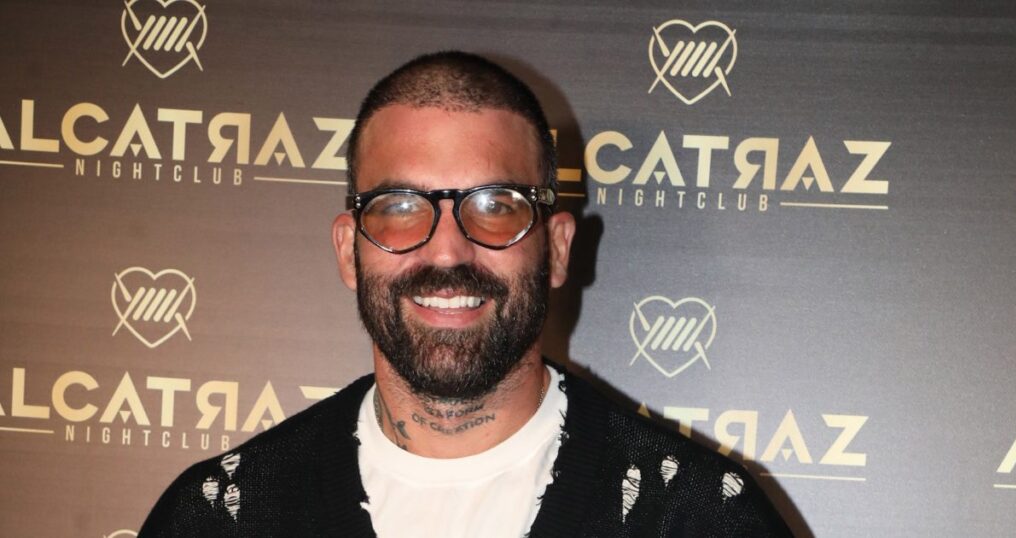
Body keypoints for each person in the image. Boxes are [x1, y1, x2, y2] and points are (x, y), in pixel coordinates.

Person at [139, 51, 792, 537]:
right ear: (347, 250)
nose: (448, 251)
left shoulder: (698, 517)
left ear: (557, 248)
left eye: (496, 206)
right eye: (400, 206)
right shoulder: (222, 515)